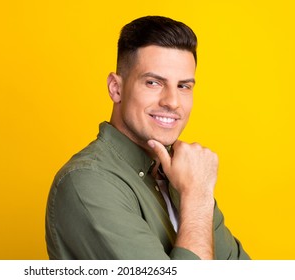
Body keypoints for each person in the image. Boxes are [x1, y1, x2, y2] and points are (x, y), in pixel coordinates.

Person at [45, 15, 250, 260]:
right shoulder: (87, 182)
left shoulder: (183, 175)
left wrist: (196, 193)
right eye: (153, 82)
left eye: (183, 86)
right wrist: (197, 198)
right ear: (116, 88)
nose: (172, 102)